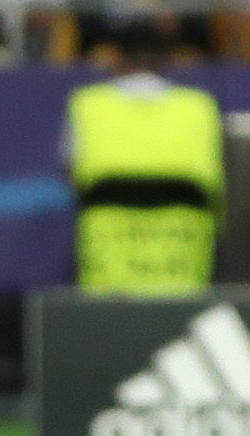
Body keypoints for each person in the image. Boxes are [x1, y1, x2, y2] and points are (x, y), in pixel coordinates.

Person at [63, 21, 226, 292]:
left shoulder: (86, 104)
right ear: (168, 59)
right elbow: (217, 184)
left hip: (107, 250)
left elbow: (70, 173)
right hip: (183, 251)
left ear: (115, 59)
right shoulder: (201, 107)